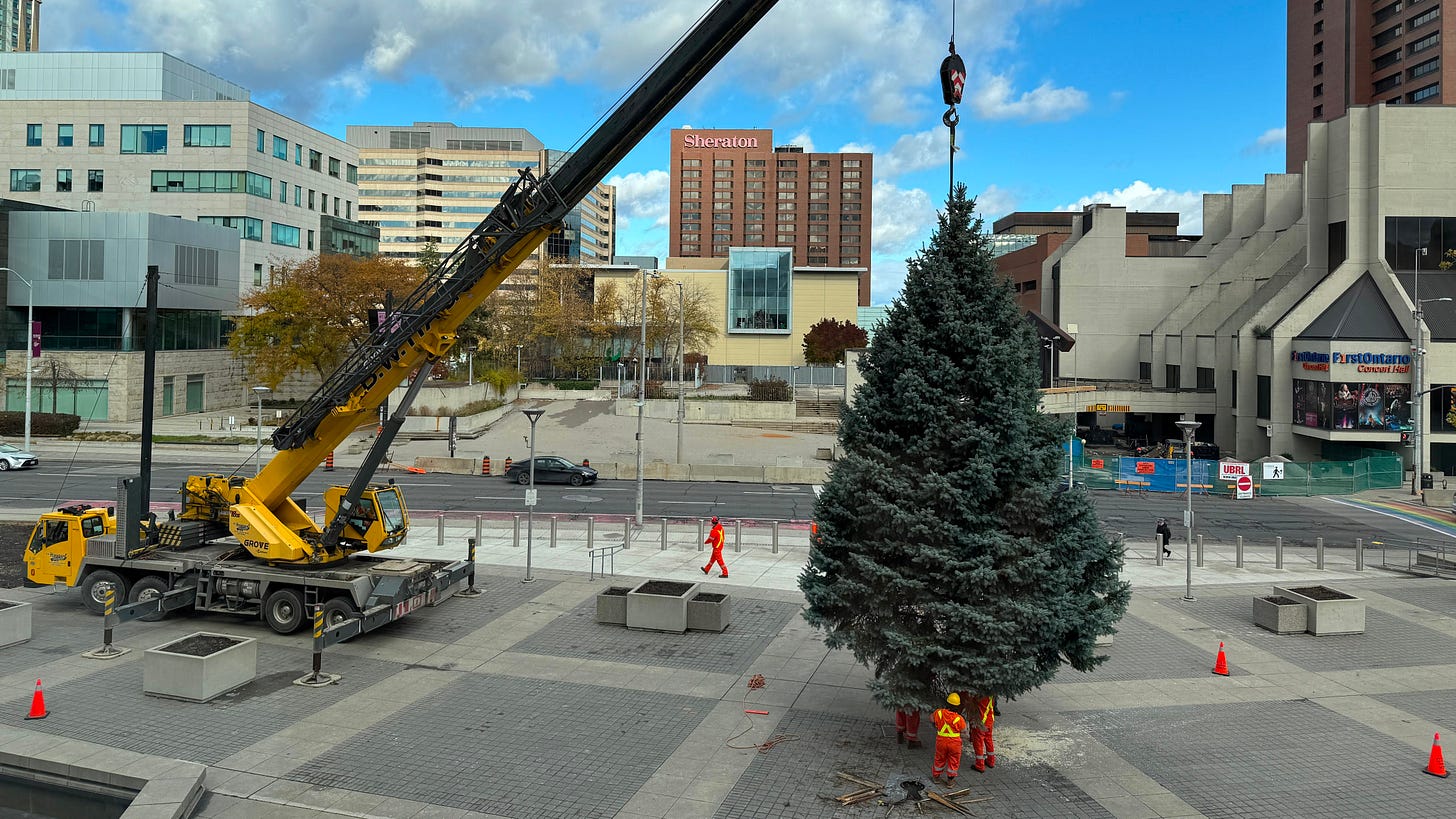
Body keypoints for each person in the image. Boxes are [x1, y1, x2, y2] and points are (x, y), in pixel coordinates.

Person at [931, 693, 967, 786]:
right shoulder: (959, 719)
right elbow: (964, 732)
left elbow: (931, 719)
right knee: (954, 761)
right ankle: (950, 781)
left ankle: (936, 778)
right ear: (958, 706)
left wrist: (936, 725)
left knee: (939, 759)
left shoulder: (938, 713)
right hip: (954, 744)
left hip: (941, 742)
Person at [969, 694, 996, 772]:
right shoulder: (990, 694)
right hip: (989, 720)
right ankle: (991, 761)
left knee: (978, 744)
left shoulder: (978, 695)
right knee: (989, 741)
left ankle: (979, 765)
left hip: (980, 722)